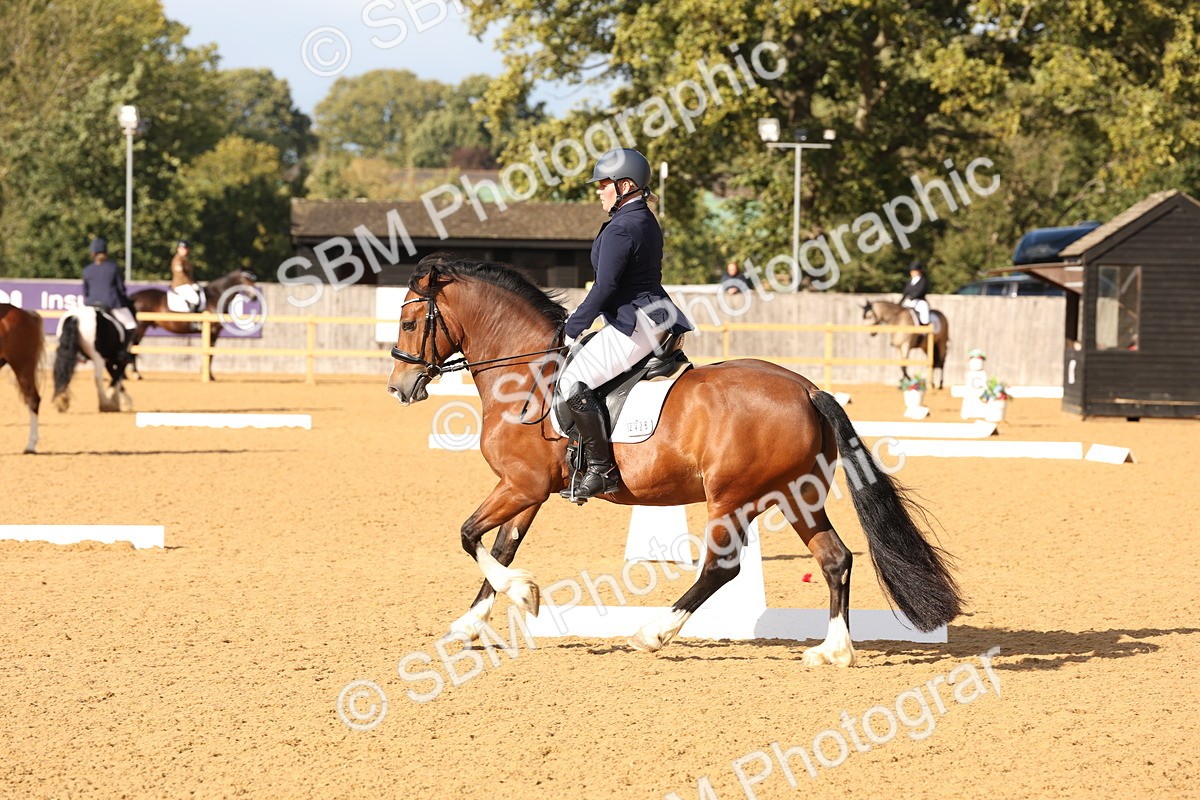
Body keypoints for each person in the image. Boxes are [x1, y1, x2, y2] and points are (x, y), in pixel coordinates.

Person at [558, 148, 694, 501]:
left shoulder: (623, 227)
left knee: (573, 381)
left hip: (636, 323)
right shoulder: (642, 218)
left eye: (604, 184)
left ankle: (602, 470)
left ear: (626, 185)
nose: (599, 191)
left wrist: (573, 327)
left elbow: (605, 287)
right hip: (653, 314)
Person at [82, 238, 137, 365]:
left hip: (91, 304)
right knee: (131, 326)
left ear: (93, 254)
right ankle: (122, 351)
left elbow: (85, 291)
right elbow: (121, 289)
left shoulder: (87, 270)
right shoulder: (113, 268)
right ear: (106, 253)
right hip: (111, 304)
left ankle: (82, 354)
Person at [169, 240, 203, 313]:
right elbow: (180, 275)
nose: (184, 250)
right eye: (182, 248)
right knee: (195, 299)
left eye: (185, 248)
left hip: (186, 284)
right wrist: (191, 284)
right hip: (180, 284)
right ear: (178, 249)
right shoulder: (177, 260)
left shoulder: (185, 260)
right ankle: (193, 320)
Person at [901, 260, 931, 325]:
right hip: (909, 301)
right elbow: (905, 292)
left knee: (924, 313)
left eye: (914, 271)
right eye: (911, 271)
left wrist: (912, 298)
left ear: (919, 271)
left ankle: (925, 327)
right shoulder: (910, 281)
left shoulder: (923, 281)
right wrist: (901, 301)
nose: (912, 273)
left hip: (919, 301)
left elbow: (920, 291)